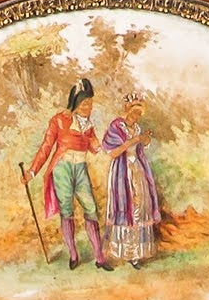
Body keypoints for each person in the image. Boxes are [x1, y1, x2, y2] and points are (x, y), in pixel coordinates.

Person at [28, 78, 112, 268]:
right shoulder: (59, 120)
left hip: (81, 169)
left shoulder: (88, 125)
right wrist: (32, 172)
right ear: (75, 103)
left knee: (91, 209)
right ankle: (73, 255)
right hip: (62, 169)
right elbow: (46, 147)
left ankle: (99, 258)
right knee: (67, 211)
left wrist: (103, 146)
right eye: (84, 103)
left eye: (90, 103)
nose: (88, 107)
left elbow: (94, 147)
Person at [102, 99, 162, 265]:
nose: (136, 116)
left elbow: (139, 149)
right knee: (126, 206)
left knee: (139, 205)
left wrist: (144, 140)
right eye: (135, 112)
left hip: (137, 169)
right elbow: (112, 153)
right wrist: (133, 141)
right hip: (122, 171)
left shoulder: (137, 128)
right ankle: (124, 251)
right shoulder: (116, 127)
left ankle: (136, 252)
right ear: (127, 110)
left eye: (139, 114)